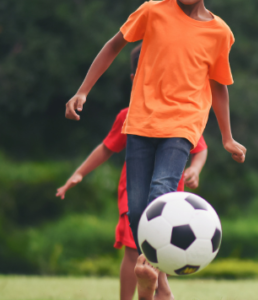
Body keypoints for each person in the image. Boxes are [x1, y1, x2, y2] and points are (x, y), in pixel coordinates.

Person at [64, 1, 246, 299]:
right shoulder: (153, 10)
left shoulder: (219, 32)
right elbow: (114, 45)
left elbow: (218, 85)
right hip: (141, 121)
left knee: (160, 190)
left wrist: (227, 137)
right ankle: (158, 285)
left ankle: (150, 274)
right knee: (137, 210)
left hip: (183, 124)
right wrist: (83, 90)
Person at [55, 43, 209, 300]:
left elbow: (200, 148)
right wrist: (79, 173)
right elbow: (106, 148)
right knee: (132, 250)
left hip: (171, 200)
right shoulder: (129, 115)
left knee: (163, 248)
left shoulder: (182, 114)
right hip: (134, 196)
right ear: (134, 78)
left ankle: (158, 291)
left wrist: (195, 168)